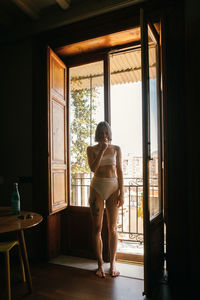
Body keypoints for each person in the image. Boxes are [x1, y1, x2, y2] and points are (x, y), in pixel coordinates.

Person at [87, 121, 124, 278]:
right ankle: (100, 264)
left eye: (105, 132)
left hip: (113, 188)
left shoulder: (116, 149)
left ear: (109, 133)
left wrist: (122, 192)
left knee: (113, 228)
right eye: (101, 133)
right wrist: (101, 151)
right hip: (97, 188)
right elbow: (93, 168)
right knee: (97, 228)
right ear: (97, 134)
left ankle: (113, 264)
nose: (103, 135)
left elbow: (120, 170)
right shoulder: (91, 149)